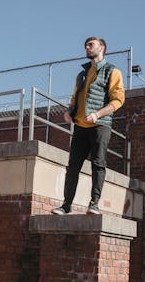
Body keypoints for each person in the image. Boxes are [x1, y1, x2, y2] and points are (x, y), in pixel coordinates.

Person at [51, 37, 125, 215]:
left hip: (100, 125)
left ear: (102, 48)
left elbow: (118, 99)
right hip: (80, 126)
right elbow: (74, 98)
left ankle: (94, 204)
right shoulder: (82, 74)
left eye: (91, 45)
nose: (87, 47)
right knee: (73, 166)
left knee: (98, 164)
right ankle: (66, 205)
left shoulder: (111, 71)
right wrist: (70, 111)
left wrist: (97, 114)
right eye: (86, 45)